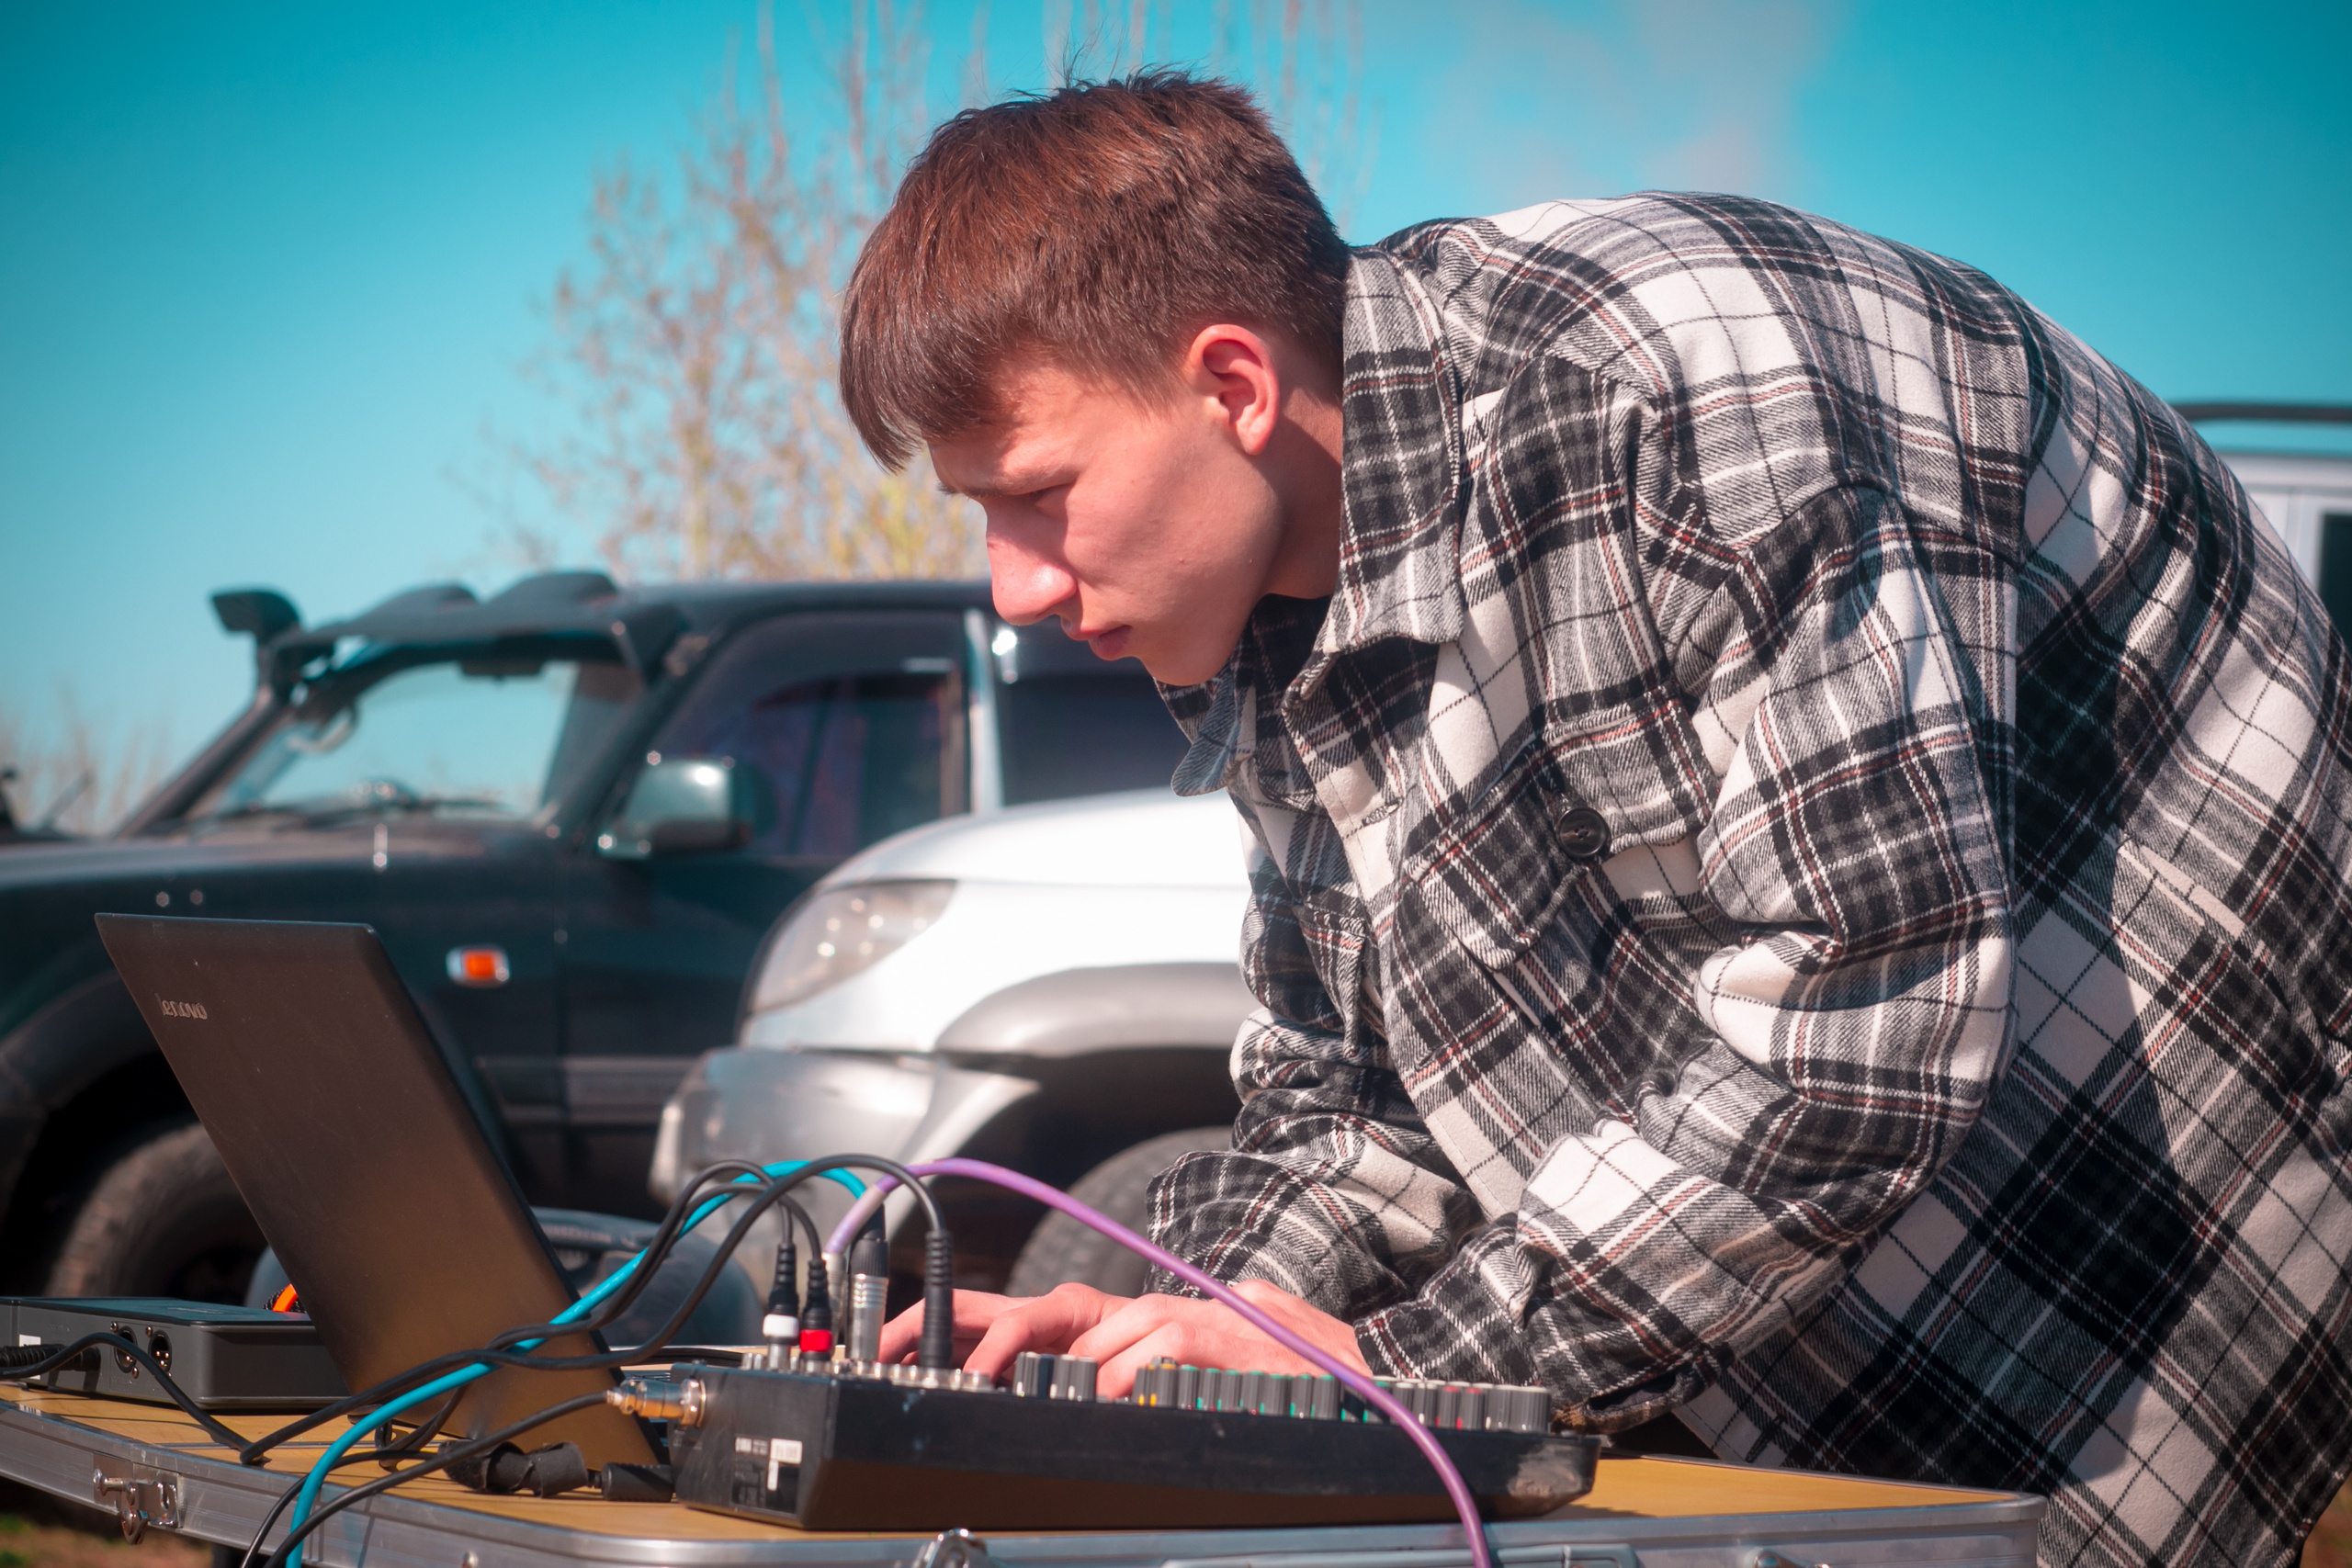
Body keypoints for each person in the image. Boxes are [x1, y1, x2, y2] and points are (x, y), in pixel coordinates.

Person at [855, 72, 2352, 1568]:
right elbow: (1362, 1094)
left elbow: (1866, 1012)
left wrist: (1400, 1378)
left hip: (2152, 1229)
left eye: (1038, 494)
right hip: (1814, 1299)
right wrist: (1174, 1341)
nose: (1014, 588)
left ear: (1234, 386)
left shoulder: (1681, 385)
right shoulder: (1253, 594)